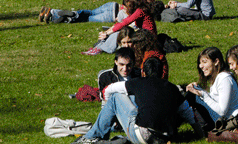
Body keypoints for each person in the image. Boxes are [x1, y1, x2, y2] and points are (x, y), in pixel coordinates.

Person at [72, 58, 202, 144]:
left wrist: (107, 105)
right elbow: (188, 113)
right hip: (165, 138)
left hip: (142, 136)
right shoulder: (173, 88)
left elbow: (109, 89)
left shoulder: (137, 82)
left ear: (143, 73)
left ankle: (91, 137)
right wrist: (200, 134)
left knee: (116, 97)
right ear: (162, 73)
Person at [187, 47, 238, 128]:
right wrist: (197, 89)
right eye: (200, 63)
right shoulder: (217, 78)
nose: (200, 66)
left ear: (216, 62)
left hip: (230, 122)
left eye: (204, 62)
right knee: (190, 95)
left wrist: (202, 94)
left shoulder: (225, 79)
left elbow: (222, 111)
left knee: (191, 97)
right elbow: (214, 101)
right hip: (220, 120)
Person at [39, 0, 137, 24]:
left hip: (112, 5)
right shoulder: (137, 11)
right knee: (87, 18)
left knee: (90, 12)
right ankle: (68, 18)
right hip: (111, 15)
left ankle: (52, 12)